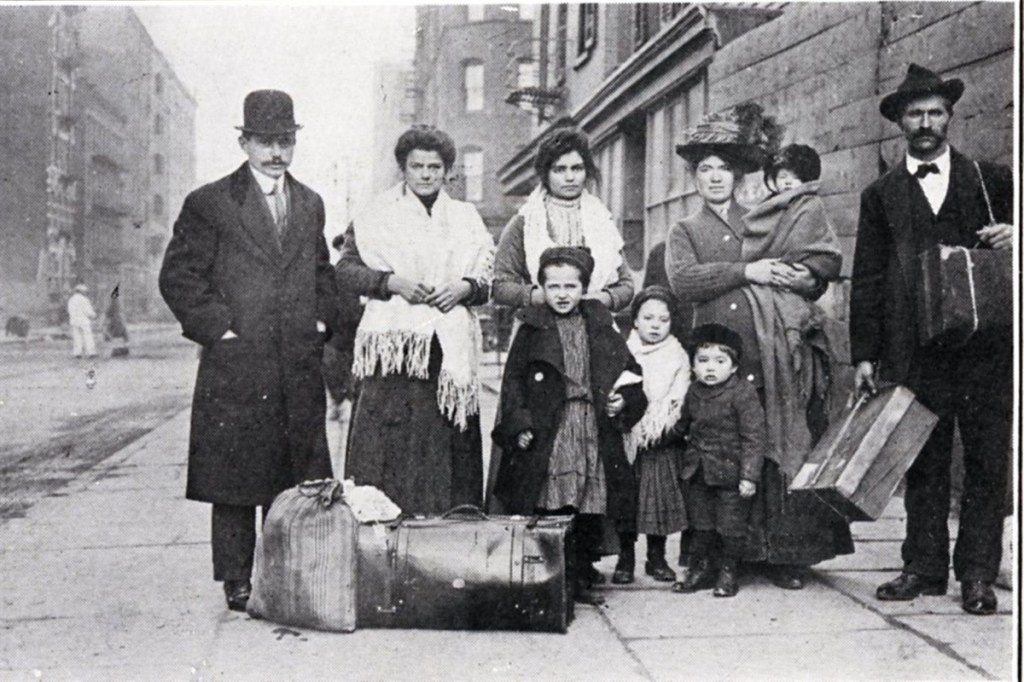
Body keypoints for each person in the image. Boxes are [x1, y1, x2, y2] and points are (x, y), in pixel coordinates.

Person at [159, 90, 341, 612]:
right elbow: (179, 276)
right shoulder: (211, 202)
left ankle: (288, 573)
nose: (277, 153)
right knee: (236, 479)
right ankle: (236, 578)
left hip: (296, 366)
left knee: (296, 476)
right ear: (244, 143)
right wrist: (221, 331)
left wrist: (322, 321)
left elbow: (320, 272)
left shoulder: (310, 203)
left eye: (285, 141)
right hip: (237, 367)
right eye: (265, 142)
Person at [667, 102, 853, 590]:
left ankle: (781, 556)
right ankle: (710, 559)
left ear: (737, 176)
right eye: (704, 170)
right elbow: (684, 281)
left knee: (774, 448)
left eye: (722, 169)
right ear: (694, 177)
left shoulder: (761, 219)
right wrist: (747, 270)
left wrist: (807, 278)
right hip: (716, 358)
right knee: (716, 459)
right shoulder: (685, 230)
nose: (714, 178)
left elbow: (807, 266)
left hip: (769, 352)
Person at [850, 63, 1013, 615]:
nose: (925, 122)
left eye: (935, 112)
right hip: (913, 346)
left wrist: (1016, 235)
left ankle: (977, 575)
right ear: (900, 122)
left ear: (949, 117)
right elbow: (868, 276)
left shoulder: (993, 181)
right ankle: (923, 567)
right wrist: (865, 354)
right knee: (921, 459)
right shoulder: (881, 195)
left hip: (985, 346)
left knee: (986, 462)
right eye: (915, 113)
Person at [336, 125, 493, 515]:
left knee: (447, 449)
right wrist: (391, 282)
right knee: (392, 451)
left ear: (447, 171)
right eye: (417, 166)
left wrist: (465, 288)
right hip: (396, 357)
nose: (426, 174)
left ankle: (447, 534)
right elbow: (346, 271)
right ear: (403, 169)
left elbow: (490, 278)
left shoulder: (465, 217)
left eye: (434, 167)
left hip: (446, 357)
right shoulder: (375, 215)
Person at [489, 123, 634, 515]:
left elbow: (626, 285)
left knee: (594, 440)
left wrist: (599, 299)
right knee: (537, 444)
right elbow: (500, 284)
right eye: (559, 169)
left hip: (592, 338)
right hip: (541, 341)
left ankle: (590, 538)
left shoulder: (601, 220)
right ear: (545, 174)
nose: (569, 177)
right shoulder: (524, 222)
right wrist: (545, 296)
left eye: (577, 168)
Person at [491, 246, 646, 605]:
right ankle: (558, 572)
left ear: (585, 288)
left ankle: (582, 569)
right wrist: (521, 423)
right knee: (556, 497)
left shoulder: (599, 325)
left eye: (571, 286)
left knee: (590, 499)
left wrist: (624, 399)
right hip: (553, 426)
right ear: (541, 288)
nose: (562, 294)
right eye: (554, 286)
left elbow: (629, 371)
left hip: (592, 424)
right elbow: (513, 381)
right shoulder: (532, 328)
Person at [673, 324, 767, 597]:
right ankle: (701, 569)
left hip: (730, 473)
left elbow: (754, 437)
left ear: (734, 366)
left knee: (730, 526)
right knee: (700, 524)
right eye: (703, 361)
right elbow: (684, 424)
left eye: (719, 361)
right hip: (698, 471)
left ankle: (728, 572)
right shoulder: (694, 391)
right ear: (693, 365)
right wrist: (665, 435)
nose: (710, 368)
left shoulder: (742, 393)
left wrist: (749, 476)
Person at [613, 286, 690, 585]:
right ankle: (625, 557)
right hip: (629, 437)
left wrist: (663, 427)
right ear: (635, 320)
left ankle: (656, 558)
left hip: (661, 440)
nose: (655, 325)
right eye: (648, 318)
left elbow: (679, 397)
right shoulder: (624, 350)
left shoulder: (677, 356)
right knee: (627, 501)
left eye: (663, 319)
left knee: (658, 501)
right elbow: (616, 387)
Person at [67, 284, 97, 358]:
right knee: (88, 336)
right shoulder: (84, 300)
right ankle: (91, 352)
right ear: (82, 291)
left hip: (74, 320)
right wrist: (93, 315)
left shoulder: (71, 300)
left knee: (77, 337)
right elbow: (88, 311)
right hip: (83, 320)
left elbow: (69, 310)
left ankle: (77, 353)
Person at [104, 285, 130, 358]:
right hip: (120, 319)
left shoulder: (113, 302)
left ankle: (117, 350)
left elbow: (109, 312)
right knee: (123, 334)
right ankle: (124, 349)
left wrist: (106, 318)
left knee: (114, 333)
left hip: (115, 319)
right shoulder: (119, 302)